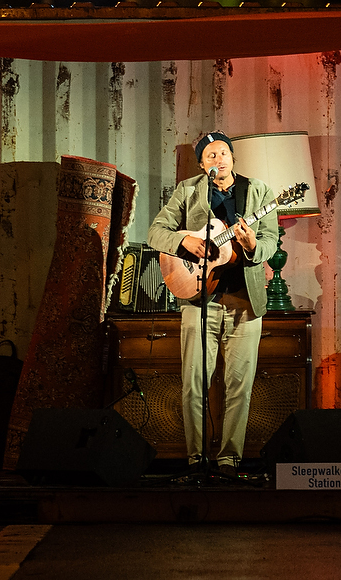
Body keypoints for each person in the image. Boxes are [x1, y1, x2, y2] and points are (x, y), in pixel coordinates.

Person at [147, 131, 279, 479]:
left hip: (244, 302)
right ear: (201, 165)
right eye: (210, 155)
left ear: (233, 157)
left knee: (239, 386)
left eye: (223, 153)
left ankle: (229, 461)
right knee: (194, 383)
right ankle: (196, 459)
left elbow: (271, 240)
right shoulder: (188, 190)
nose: (218, 159)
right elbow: (156, 232)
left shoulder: (259, 192)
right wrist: (184, 241)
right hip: (198, 299)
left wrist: (252, 246)